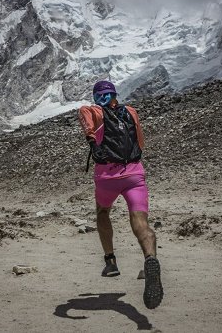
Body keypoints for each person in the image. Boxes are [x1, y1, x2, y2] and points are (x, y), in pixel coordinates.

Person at [78, 80, 163, 310]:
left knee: (103, 212)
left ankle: (110, 261)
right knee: (140, 221)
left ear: (98, 96)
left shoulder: (93, 110)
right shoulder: (132, 112)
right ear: (115, 94)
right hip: (135, 174)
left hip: (107, 176)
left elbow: (85, 118)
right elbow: (141, 141)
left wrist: (90, 138)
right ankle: (150, 259)